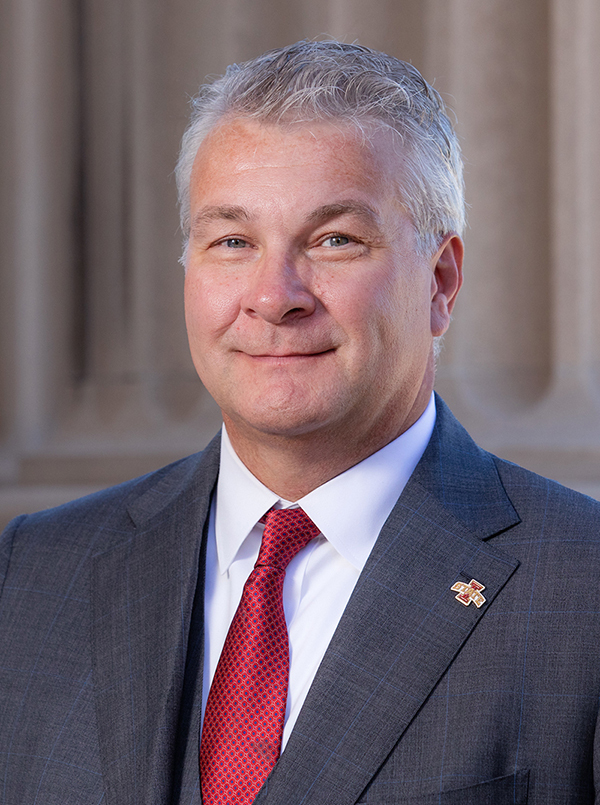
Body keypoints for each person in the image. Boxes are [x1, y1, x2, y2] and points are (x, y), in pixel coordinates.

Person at [1, 40, 599, 805]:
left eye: (334, 240)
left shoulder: (583, 591)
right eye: (233, 242)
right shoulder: (32, 575)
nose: (274, 294)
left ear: (441, 282)